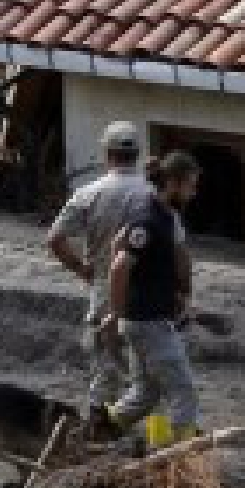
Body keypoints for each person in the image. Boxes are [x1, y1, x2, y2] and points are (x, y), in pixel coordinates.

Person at [46, 121, 177, 420]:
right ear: (137, 152)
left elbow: (55, 239)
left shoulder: (90, 193)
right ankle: (147, 444)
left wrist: (82, 269)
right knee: (148, 378)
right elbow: (178, 249)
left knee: (105, 374)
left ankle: (98, 435)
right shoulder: (154, 196)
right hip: (149, 298)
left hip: (105, 290)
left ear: (107, 153)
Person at [100, 151, 204, 448]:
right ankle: (184, 456)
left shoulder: (163, 217)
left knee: (146, 393)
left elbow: (118, 243)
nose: (193, 194)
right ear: (172, 183)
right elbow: (120, 264)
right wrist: (115, 314)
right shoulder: (149, 221)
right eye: (190, 187)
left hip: (148, 318)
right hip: (148, 322)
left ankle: (102, 428)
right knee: (183, 390)